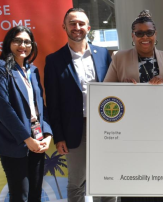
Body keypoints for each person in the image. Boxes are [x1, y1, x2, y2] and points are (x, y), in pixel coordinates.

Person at [104, 10, 163, 202]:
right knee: (137, 187)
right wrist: (123, 89)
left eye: (149, 32)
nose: (145, 37)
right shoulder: (119, 57)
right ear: (132, 36)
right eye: (139, 33)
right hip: (133, 134)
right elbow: (105, 92)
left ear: (156, 34)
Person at [44, 8, 113, 202]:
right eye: (72, 23)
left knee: (106, 178)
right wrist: (59, 136)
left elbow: (113, 90)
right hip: (74, 130)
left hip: (105, 126)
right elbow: (53, 102)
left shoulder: (103, 54)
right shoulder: (54, 60)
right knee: (76, 183)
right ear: (64, 26)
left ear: (88, 28)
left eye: (81, 23)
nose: (77, 27)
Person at [0, 26, 52, 201]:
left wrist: (47, 135)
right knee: (20, 195)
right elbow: (4, 108)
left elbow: (40, 107)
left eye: (27, 42)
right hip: (14, 141)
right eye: (17, 40)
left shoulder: (32, 70)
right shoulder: (0, 67)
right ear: (9, 43)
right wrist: (27, 139)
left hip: (38, 140)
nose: (22, 45)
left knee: (35, 194)